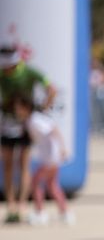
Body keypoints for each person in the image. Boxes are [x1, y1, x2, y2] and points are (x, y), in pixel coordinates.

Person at [1, 43, 57, 225]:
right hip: (6, 124)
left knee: (23, 164)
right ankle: (11, 204)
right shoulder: (2, 74)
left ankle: (23, 203)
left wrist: (42, 107)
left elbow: (51, 88)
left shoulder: (29, 72)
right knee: (8, 165)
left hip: (24, 126)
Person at [11, 94, 72, 226]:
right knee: (52, 185)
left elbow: (53, 130)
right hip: (50, 157)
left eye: (18, 108)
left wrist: (61, 148)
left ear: (26, 107)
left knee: (36, 182)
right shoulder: (30, 121)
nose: (17, 111)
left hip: (50, 158)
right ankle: (65, 212)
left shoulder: (35, 121)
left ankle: (40, 212)